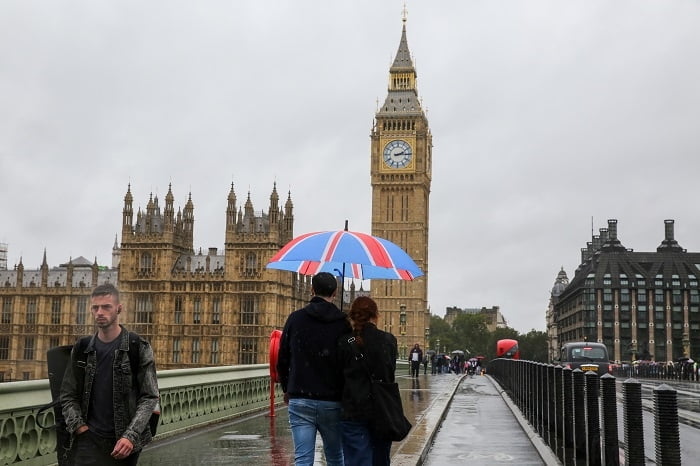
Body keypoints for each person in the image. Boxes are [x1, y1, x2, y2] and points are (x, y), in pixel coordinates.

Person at [60, 284, 159, 465]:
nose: (100, 312)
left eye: (106, 307)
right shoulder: (82, 348)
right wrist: (80, 428)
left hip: (124, 442)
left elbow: (150, 397)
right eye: (95, 307)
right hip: (88, 441)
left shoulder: (138, 346)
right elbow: (67, 394)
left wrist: (131, 436)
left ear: (119, 308)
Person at [276, 272, 351, 466]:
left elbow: (282, 358)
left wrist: (287, 389)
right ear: (335, 292)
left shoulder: (295, 319)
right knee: (335, 457)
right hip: (332, 400)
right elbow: (352, 361)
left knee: (303, 459)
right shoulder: (344, 324)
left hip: (300, 397)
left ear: (312, 290)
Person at [337, 296, 398, 466]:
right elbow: (389, 373)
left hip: (353, 409)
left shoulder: (345, 341)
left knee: (357, 461)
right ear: (376, 315)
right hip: (382, 409)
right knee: (381, 459)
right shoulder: (389, 340)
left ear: (353, 316)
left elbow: (339, 375)